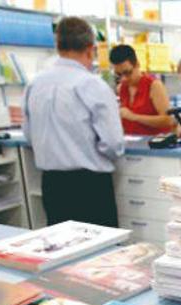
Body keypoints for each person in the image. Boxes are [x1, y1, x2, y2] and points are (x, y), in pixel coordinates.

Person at [22, 17, 124, 227]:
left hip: (52, 184)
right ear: (90, 49)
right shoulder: (93, 85)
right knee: (102, 255)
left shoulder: (34, 84)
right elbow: (114, 143)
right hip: (90, 186)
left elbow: (29, 135)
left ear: (57, 46)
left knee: (61, 251)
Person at [109, 44, 174, 135]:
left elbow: (168, 120)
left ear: (137, 64)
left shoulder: (154, 86)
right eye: (118, 75)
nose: (123, 79)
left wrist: (134, 117)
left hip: (154, 145)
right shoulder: (121, 88)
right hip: (132, 144)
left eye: (127, 73)